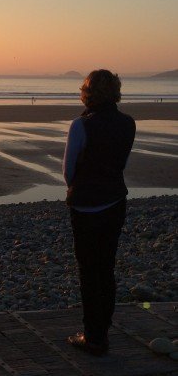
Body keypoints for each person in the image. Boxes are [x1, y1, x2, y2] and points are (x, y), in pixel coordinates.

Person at [63, 69, 135, 356]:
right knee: (105, 268)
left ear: (87, 92)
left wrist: (78, 190)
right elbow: (122, 162)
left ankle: (93, 337)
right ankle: (100, 331)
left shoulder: (81, 125)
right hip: (115, 201)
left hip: (86, 205)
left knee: (89, 271)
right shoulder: (128, 123)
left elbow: (69, 171)